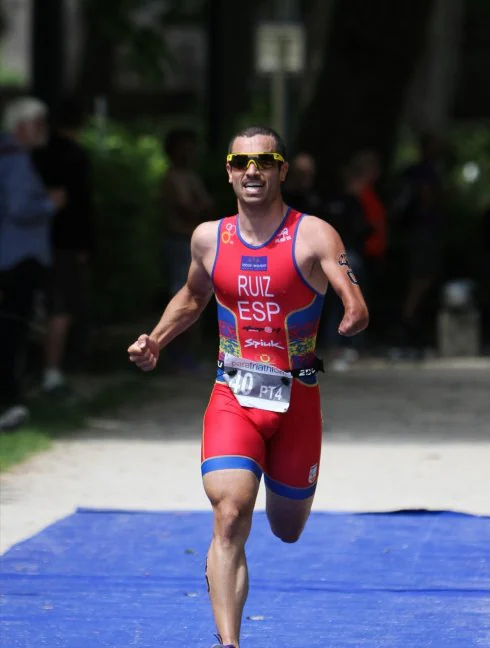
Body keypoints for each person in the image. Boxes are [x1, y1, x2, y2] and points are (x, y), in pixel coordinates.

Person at [127, 125, 369, 647]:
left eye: (264, 162)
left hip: (296, 399)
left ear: (282, 170)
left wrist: (353, 310)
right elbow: (193, 298)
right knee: (230, 513)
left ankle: (235, 559)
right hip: (232, 395)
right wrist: (157, 341)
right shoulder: (209, 238)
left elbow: (352, 294)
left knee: (286, 528)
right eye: (241, 163)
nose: (252, 172)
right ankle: (229, 641)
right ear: (230, 171)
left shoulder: (314, 234)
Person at [0, 97, 65, 431]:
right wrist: (50, 204)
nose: (44, 131)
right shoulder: (16, 158)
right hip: (20, 256)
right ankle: (10, 400)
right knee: (12, 328)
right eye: (39, 124)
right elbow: (19, 208)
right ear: (21, 126)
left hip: (12, 255)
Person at [32, 98, 95, 397]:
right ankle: (54, 371)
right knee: (63, 307)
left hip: (35, 240)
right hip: (67, 242)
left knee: (40, 307)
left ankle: (42, 369)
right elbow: (81, 205)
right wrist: (86, 244)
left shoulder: (36, 154)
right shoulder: (75, 155)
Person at [160, 128, 214, 371]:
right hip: (179, 240)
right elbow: (188, 208)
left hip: (192, 241)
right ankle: (176, 353)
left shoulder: (190, 176)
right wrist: (197, 204)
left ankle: (188, 353)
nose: (191, 152)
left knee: (199, 295)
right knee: (181, 295)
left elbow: (205, 204)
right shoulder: (172, 178)